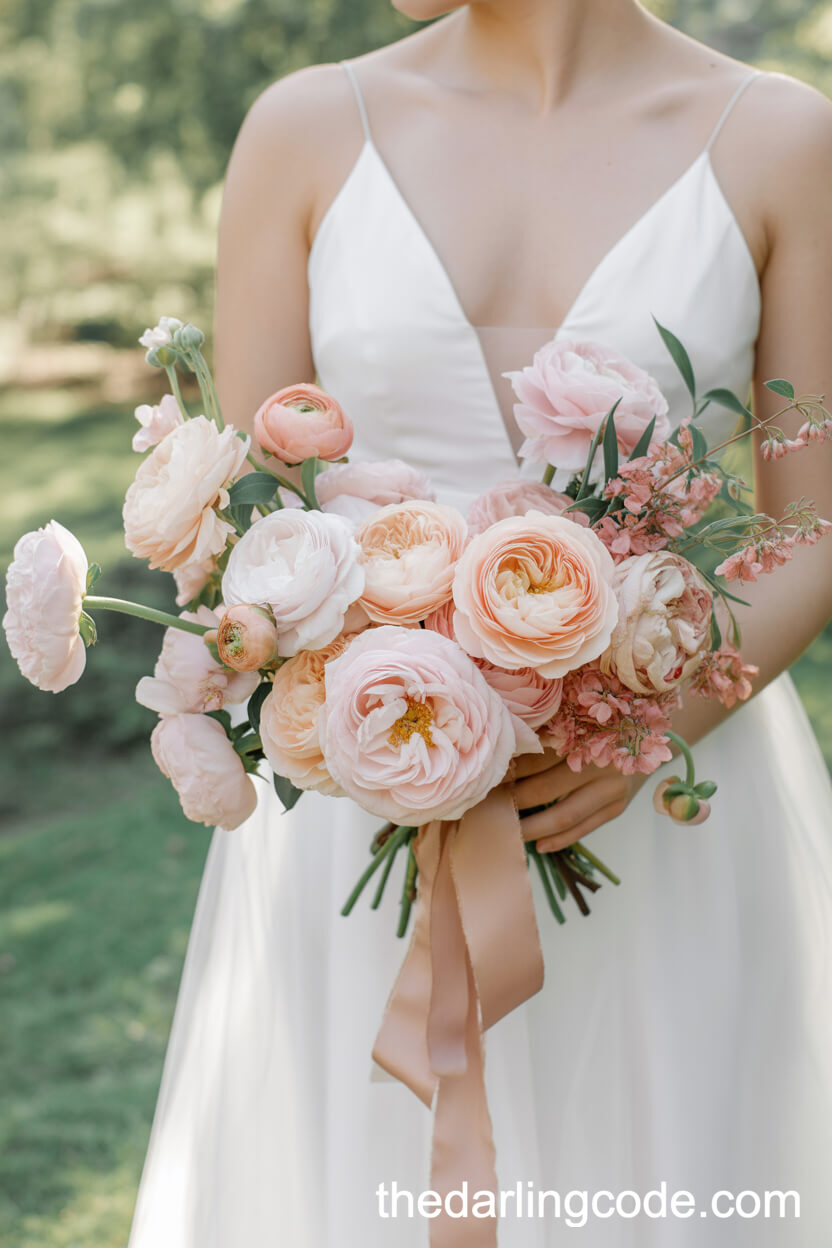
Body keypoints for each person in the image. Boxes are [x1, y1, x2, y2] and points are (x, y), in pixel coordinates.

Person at [127, 3, 832, 1244]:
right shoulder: (304, 131)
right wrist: (373, 705)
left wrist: (649, 723)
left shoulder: (778, 142)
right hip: (362, 800)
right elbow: (248, 522)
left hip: (665, 807)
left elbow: (812, 524)